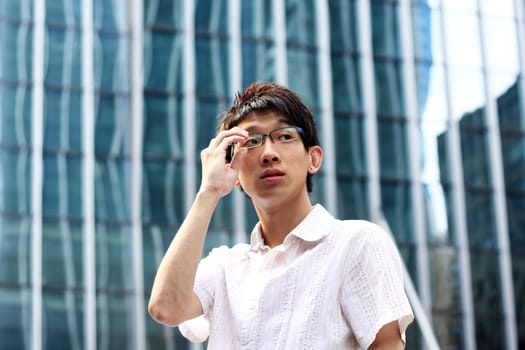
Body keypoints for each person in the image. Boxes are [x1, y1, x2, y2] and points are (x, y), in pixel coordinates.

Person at [148, 82, 414, 349]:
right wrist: (208, 191)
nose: (269, 154)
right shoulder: (225, 267)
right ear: (235, 172)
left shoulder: (355, 242)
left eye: (285, 136)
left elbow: (386, 345)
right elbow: (165, 308)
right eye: (252, 141)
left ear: (314, 158)